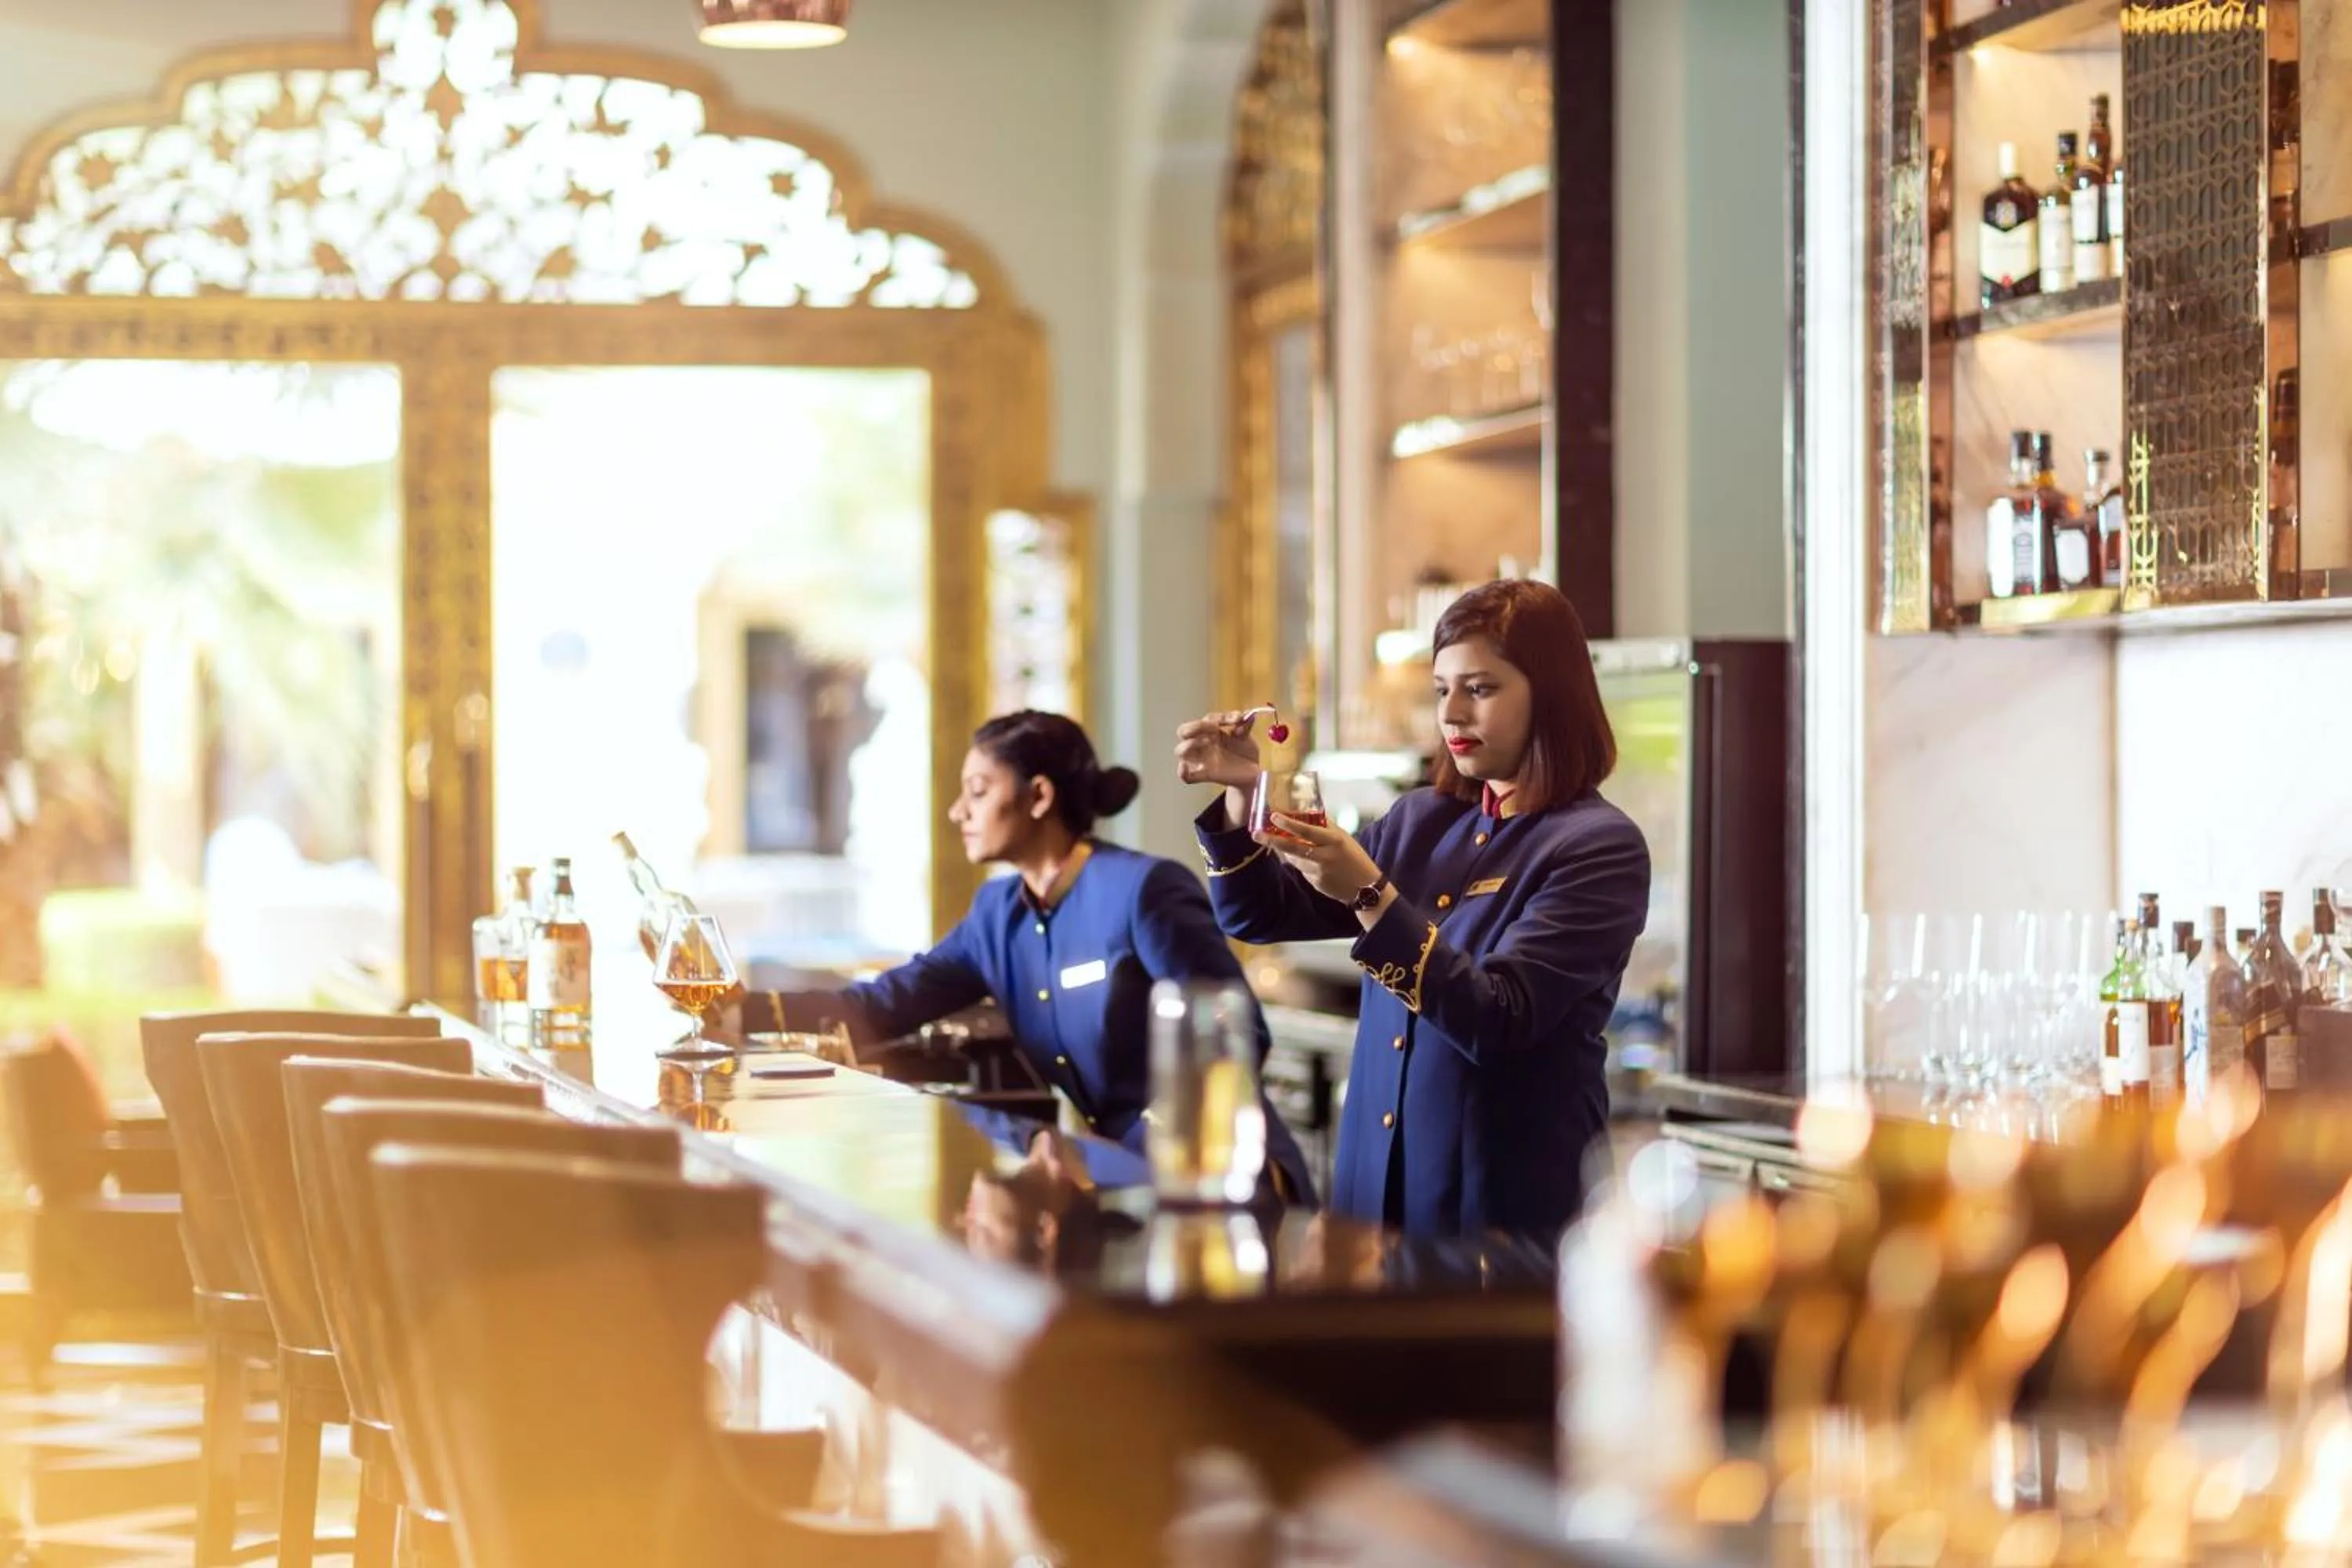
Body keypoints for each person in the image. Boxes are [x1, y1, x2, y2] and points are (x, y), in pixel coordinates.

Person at [1174, 579, 1649, 1239]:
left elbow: (1498, 1018)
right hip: (1368, 1201)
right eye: (1441, 690)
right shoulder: (1421, 820)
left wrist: (1371, 893)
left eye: (1479, 689)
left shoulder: (1598, 846)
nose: (1452, 714)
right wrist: (1244, 796)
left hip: (1498, 1217)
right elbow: (1259, 915)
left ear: (1551, 695)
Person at [744, 710, 1315, 1206]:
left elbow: (1236, 1039)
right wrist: (745, 1011)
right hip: (1115, 1184)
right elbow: (886, 1005)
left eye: (977, 791)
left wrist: (1113, 1157)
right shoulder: (995, 914)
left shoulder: (1143, 890)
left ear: (1039, 797)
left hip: (1226, 1183)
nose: (957, 812)